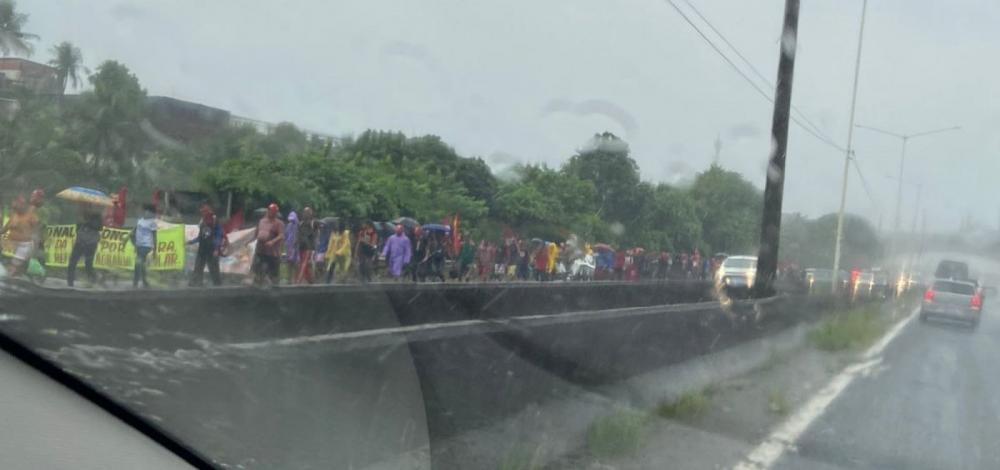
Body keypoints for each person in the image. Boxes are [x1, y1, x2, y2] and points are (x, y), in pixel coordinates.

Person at [0, 196, 39, 277]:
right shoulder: (14, 215)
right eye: (17, 204)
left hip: (24, 245)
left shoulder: (31, 216)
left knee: (14, 264)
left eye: (21, 204)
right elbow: (5, 228)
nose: (18, 206)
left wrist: (35, 247)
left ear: (24, 205)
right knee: (7, 261)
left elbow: (36, 232)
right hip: (10, 244)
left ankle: (9, 277)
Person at [67, 203, 102, 287]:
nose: (83, 208)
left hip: (91, 243)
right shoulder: (81, 216)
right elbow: (77, 229)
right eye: (82, 207)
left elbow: (98, 227)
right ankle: (70, 283)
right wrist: (81, 223)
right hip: (80, 242)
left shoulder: (97, 216)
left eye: (86, 207)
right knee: (72, 262)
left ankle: (94, 279)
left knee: (88, 265)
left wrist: (86, 222)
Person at [188, 205, 223, 287]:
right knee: (198, 267)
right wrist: (191, 242)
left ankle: (217, 285)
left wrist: (216, 249)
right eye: (202, 212)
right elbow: (200, 237)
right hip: (202, 248)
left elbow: (218, 235)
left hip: (211, 249)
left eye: (204, 212)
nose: (203, 214)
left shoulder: (215, 220)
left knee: (214, 269)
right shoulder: (202, 221)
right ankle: (196, 283)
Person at [254, 203, 285, 286]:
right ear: (268, 211)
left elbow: (281, 235)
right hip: (261, 249)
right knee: (258, 266)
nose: (272, 213)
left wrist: (272, 242)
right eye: (271, 211)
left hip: (272, 251)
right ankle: (259, 282)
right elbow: (256, 233)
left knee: (273, 271)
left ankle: (274, 286)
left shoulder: (279, 223)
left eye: (274, 212)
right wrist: (250, 241)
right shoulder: (261, 221)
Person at [131, 204, 158, 288]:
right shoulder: (140, 220)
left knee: (138, 262)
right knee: (141, 264)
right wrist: (134, 242)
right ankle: (145, 281)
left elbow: (154, 236)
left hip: (146, 245)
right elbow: (134, 231)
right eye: (146, 211)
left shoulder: (152, 222)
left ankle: (135, 282)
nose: (147, 213)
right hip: (139, 245)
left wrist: (155, 249)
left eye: (149, 212)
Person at [296, 207, 318, 284]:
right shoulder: (300, 224)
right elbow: (298, 235)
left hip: (309, 247)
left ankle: (298, 280)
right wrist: (296, 242)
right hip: (301, 247)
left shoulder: (313, 223)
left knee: (304, 263)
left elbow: (318, 228)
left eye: (308, 212)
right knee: (304, 264)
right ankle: (310, 280)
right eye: (305, 212)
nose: (306, 214)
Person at [282, 211, 299, 284]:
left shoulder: (298, 226)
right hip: (289, 246)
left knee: (296, 263)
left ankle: (296, 279)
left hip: (296, 246)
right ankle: (289, 279)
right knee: (289, 262)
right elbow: (285, 235)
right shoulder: (288, 225)